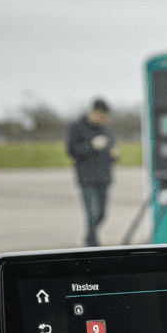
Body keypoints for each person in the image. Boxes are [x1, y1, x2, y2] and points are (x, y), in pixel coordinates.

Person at [66, 98, 121, 246]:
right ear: (93, 112)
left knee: (102, 214)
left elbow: (111, 150)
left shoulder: (105, 129)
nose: (104, 119)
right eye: (102, 115)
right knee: (92, 212)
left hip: (104, 177)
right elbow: (71, 150)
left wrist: (115, 154)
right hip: (87, 177)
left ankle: (90, 238)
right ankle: (92, 244)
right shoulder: (77, 127)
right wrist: (91, 145)